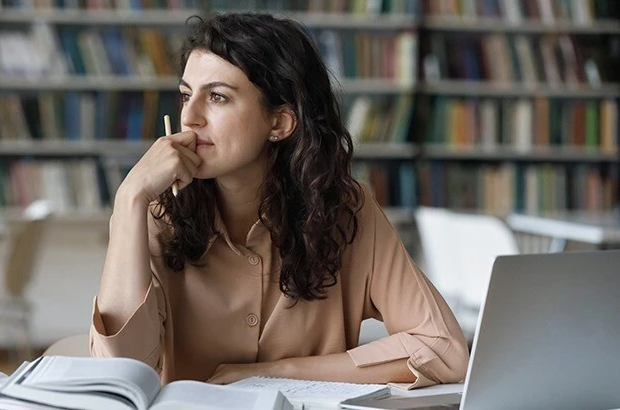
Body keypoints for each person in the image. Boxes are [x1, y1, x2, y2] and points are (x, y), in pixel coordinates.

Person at [90, 12, 469, 389]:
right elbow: (119, 375)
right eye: (187, 95)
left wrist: (277, 371)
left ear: (279, 123)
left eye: (217, 97)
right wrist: (129, 199)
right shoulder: (158, 212)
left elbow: (444, 350)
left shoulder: (346, 211)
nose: (190, 117)